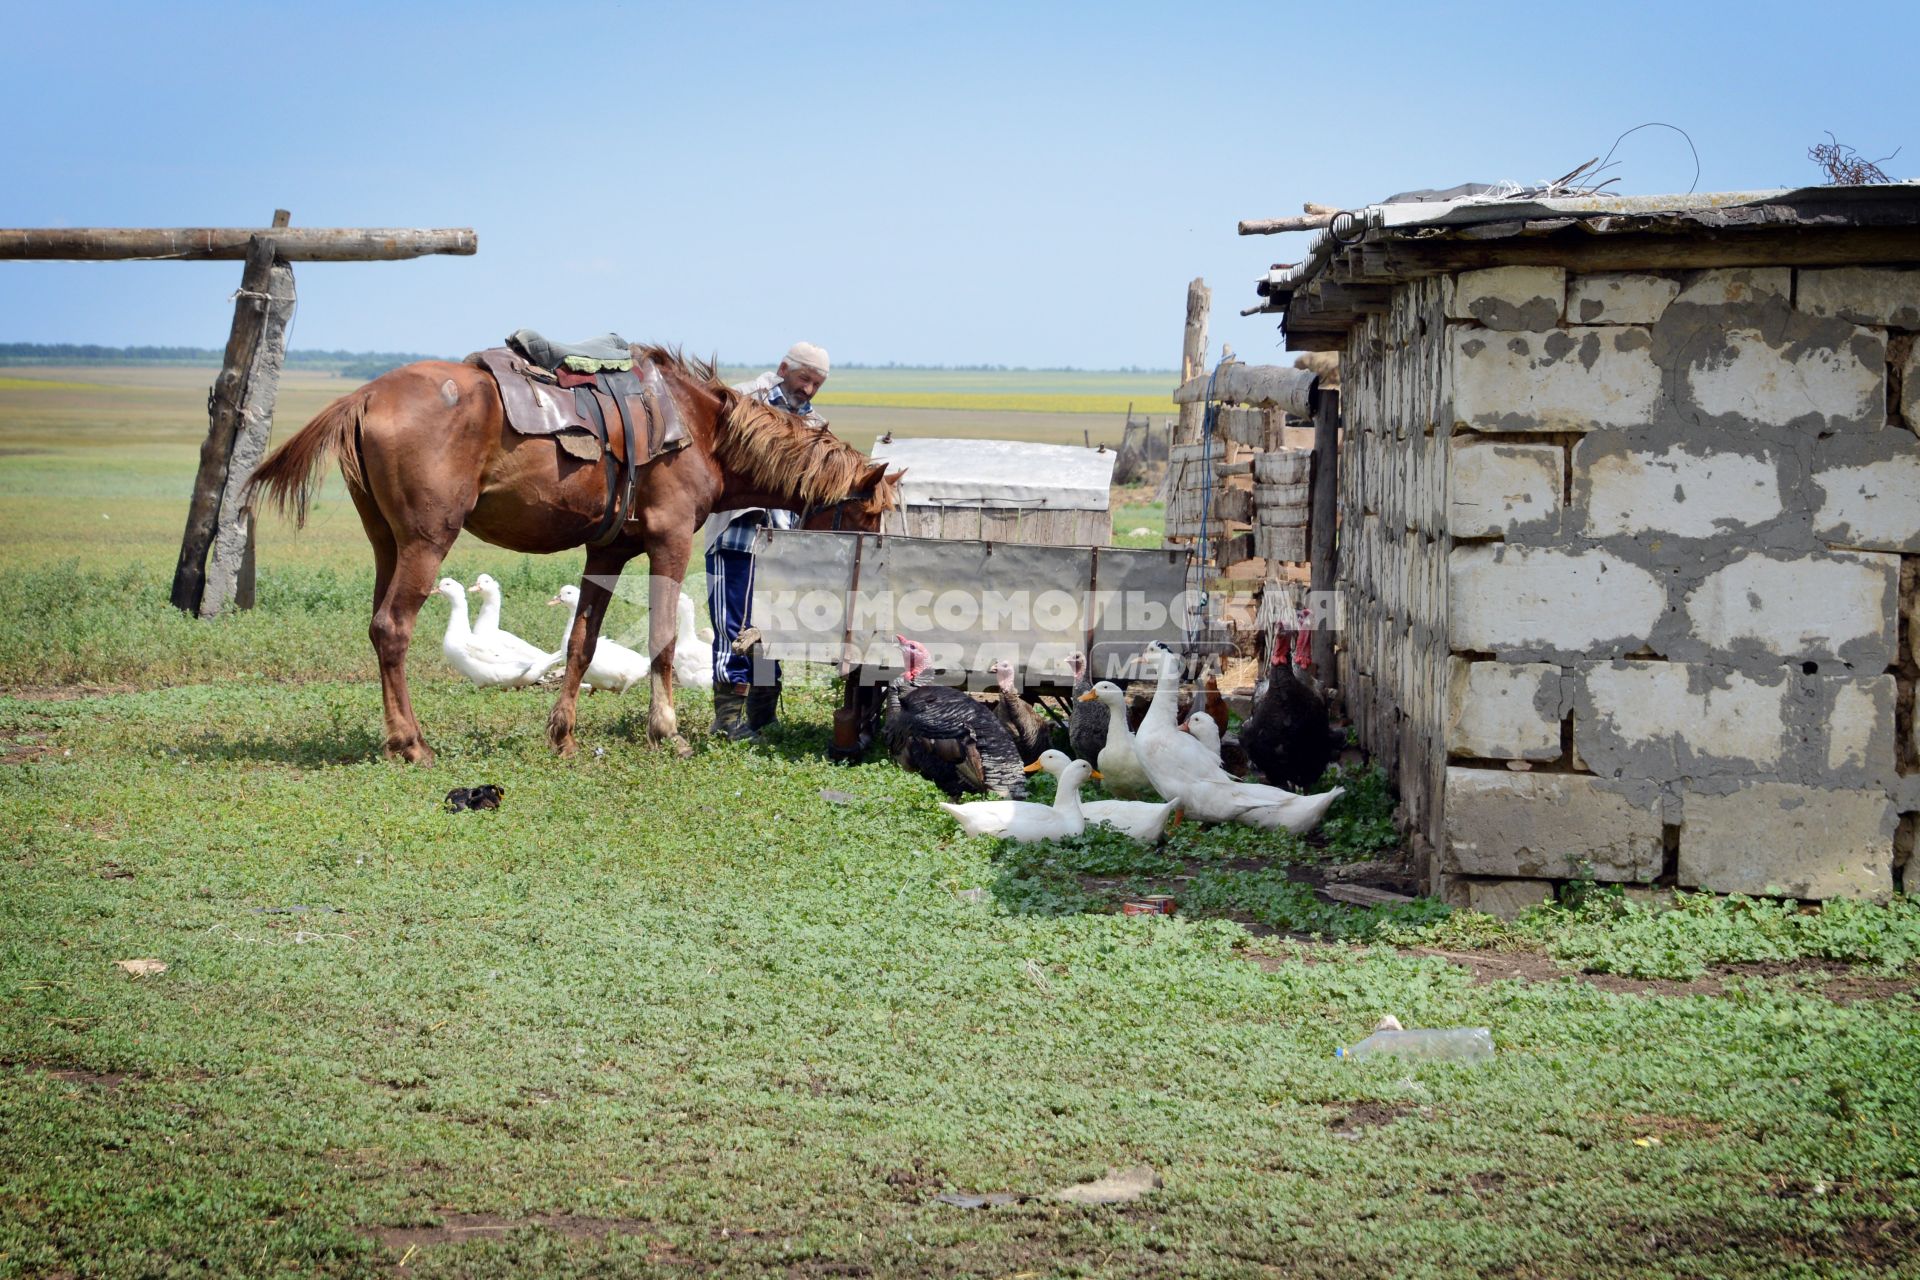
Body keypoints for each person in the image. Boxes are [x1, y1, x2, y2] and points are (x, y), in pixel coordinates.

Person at [703, 341, 831, 740]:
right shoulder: (743, 402)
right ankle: (727, 722)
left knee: (769, 629)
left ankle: (761, 714)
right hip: (740, 531)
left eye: (817, 383)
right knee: (733, 626)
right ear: (783, 368)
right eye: (804, 378)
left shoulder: (815, 423)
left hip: (783, 543)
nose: (809, 390)